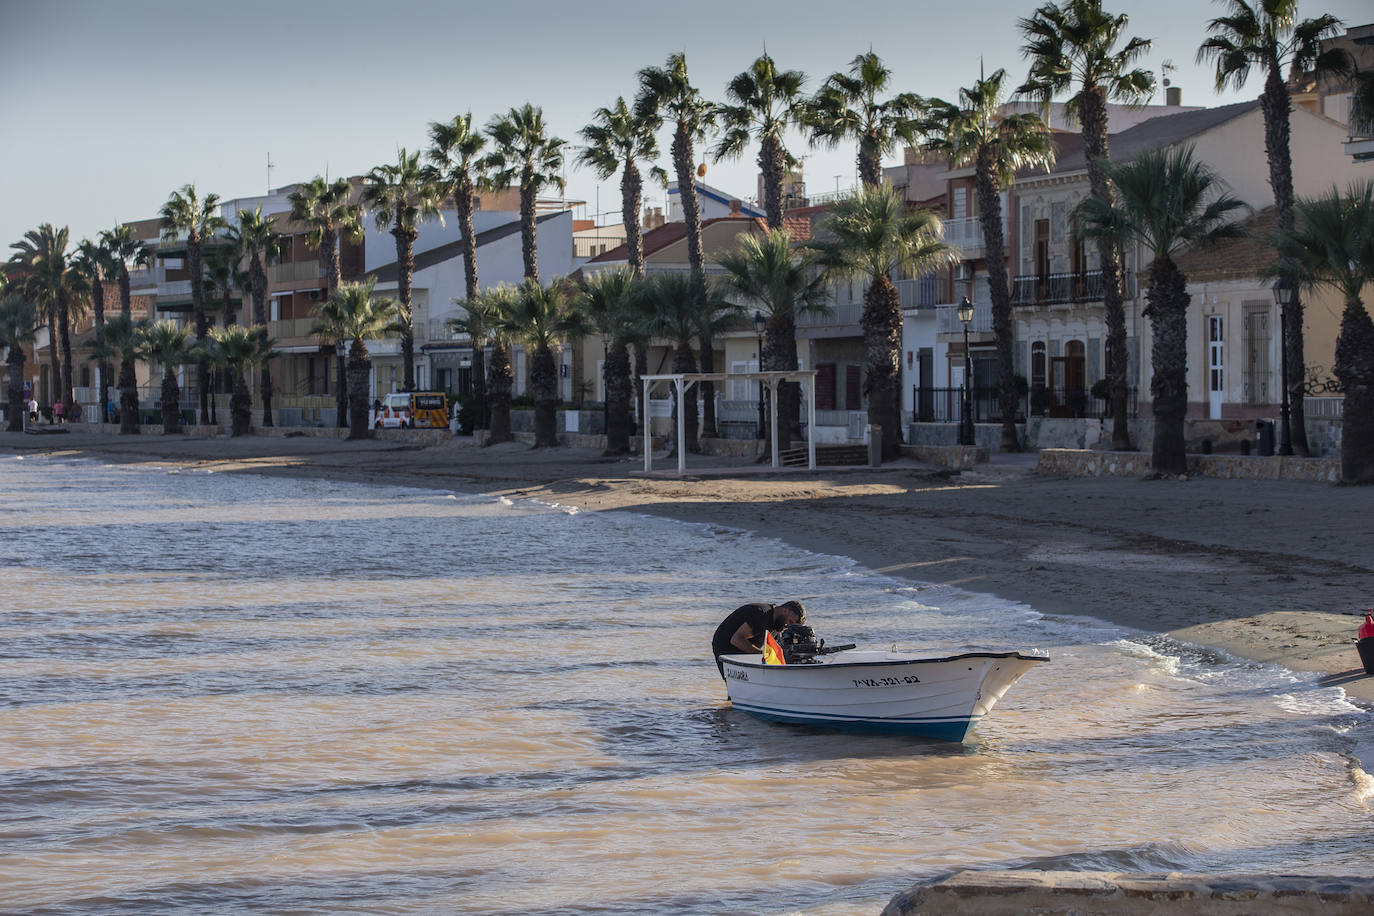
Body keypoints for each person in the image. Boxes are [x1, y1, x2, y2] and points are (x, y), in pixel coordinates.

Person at [711, 600, 805, 677]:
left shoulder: (779, 623)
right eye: (790, 621)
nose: (788, 626)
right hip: (725, 646)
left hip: (745, 648)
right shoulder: (762, 614)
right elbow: (737, 639)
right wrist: (760, 655)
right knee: (736, 686)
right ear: (785, 611)